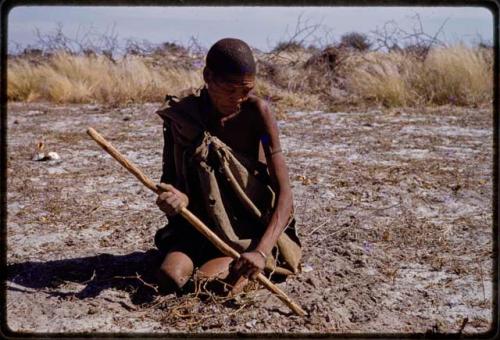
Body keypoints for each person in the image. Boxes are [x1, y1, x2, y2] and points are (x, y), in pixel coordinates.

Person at [154, 38, 301, 294]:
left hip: (246, 229)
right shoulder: (184, 117)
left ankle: (239, 262)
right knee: (169, 278)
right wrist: (176, 200)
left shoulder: (257, 114)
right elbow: (170, 181)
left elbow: (285, 192)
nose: (239, 98)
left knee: (211, 285)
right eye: (230, 89)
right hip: (198, 224)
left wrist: (260, 251)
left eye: (246, 90)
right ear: (207, 76)